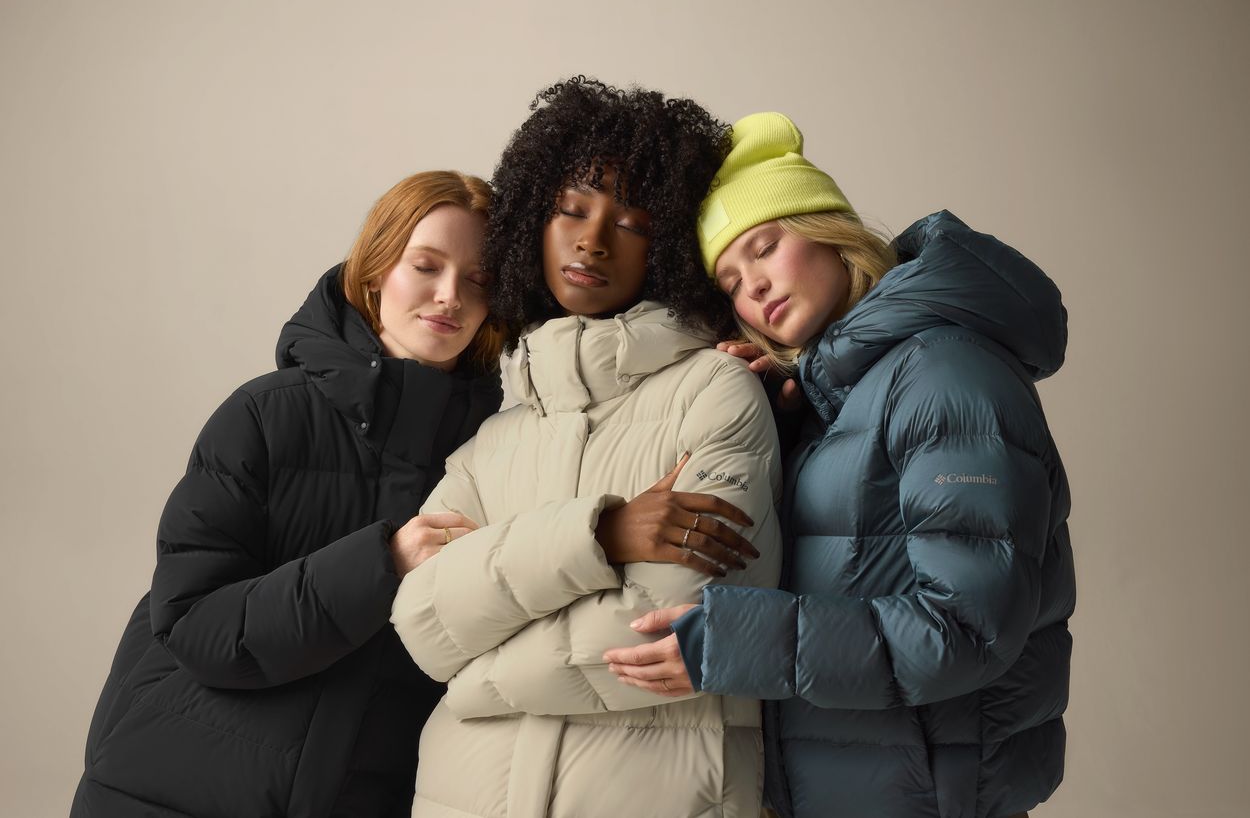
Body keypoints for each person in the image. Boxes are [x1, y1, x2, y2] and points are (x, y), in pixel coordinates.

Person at [605, 113, 1074, 818]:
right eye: (730, 282)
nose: (754, 287)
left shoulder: (946, 374)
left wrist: (738, 642)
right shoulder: (842, 395)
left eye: (765, 247)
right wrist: (784, 422)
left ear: (829, 230)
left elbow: (965, 628)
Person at [389, 78, 782, 818]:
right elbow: (425, 626)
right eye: (571, 209)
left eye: (631, 223)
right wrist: (598, 536)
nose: (593, 240)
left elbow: (667, 629)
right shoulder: (490, 439)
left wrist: (475, 679)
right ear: (531, 222)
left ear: (668, 247)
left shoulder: (717, 392)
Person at [71, 171, 505, 817]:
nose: (450, 296)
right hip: (172, 787)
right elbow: (193, 623)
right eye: (426, 266)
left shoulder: (499, 451)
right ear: (375, 271)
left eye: (478, 279)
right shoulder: (265, 417)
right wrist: (381, 563)